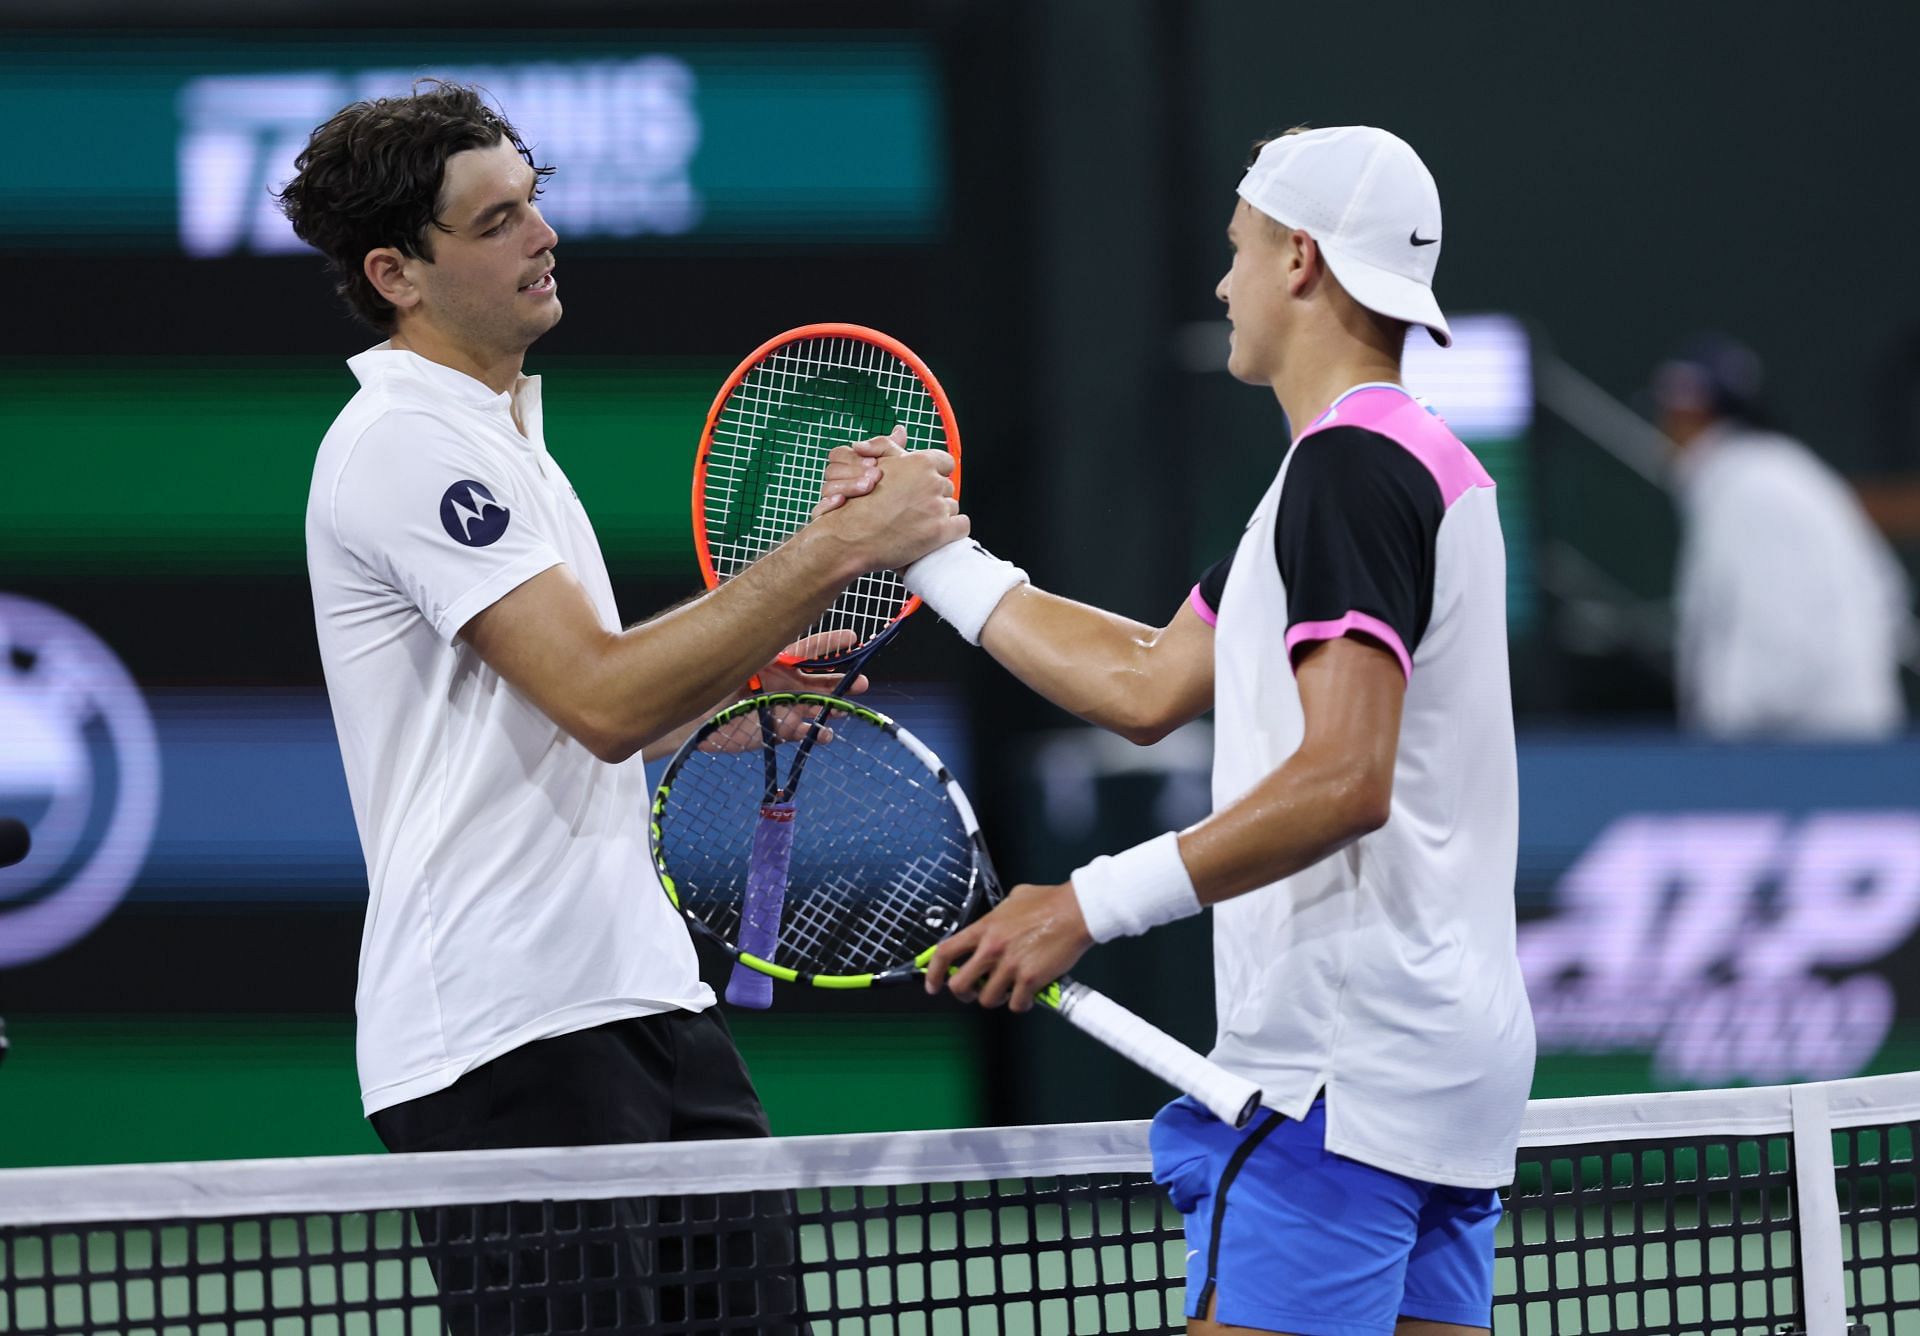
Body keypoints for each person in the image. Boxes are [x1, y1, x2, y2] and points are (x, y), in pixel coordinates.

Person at [830, 126, 1535, 1335]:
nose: (1224, 283)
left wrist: (1086, 905)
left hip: (1338, 1070)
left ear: (1302, 260)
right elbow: (1150, 680)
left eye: (1240, 249)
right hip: (1445, 1074)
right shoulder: (1406, 467)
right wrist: (933, 555)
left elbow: (1347, 776)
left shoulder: (1348, 473)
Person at [281, 81, 963, 1329]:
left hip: (648, 1005)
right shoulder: (405, 445)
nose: (541, 235)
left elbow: (587, 698)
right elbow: (598, 697)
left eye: (534, 205)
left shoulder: (504, 438)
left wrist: (740, 695)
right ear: (397, 272)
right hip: (507, 1030)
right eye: (494, 223)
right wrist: (840, 547)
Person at [1655, 335, 1911, 740]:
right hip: (1849, 734)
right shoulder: (1785, 471)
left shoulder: (1746, 487)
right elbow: (1887, 593)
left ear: (1691, 414)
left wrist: (1723, 736)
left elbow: (1768, 629)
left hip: (1802, 747)